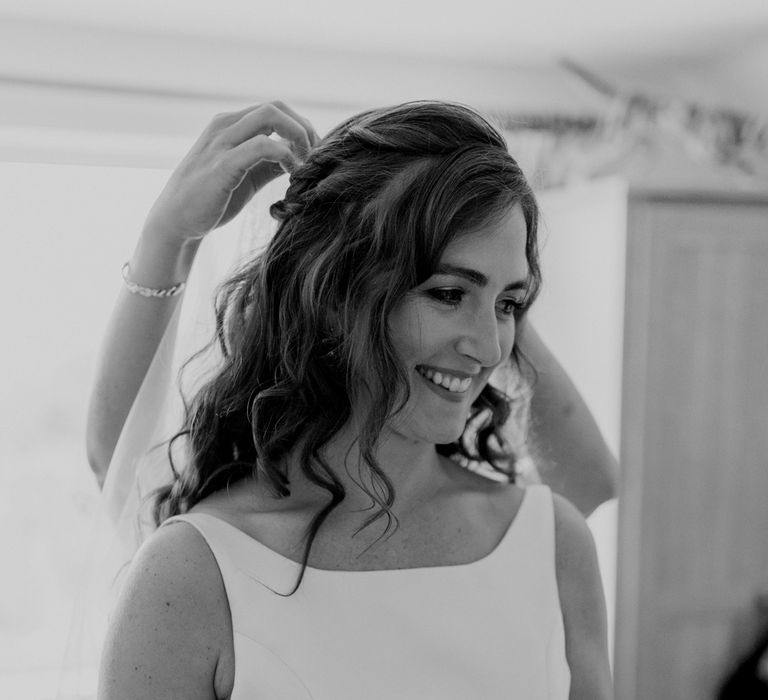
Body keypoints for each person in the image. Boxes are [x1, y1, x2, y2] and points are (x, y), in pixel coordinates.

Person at [93, 100, 613, 699]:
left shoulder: (552, 544)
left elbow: (593, 475)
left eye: (509, 303)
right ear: (334, 296)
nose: (494, 349)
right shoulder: (195, 575)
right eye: (447, 292)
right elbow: (116, 459)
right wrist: (168, 236)